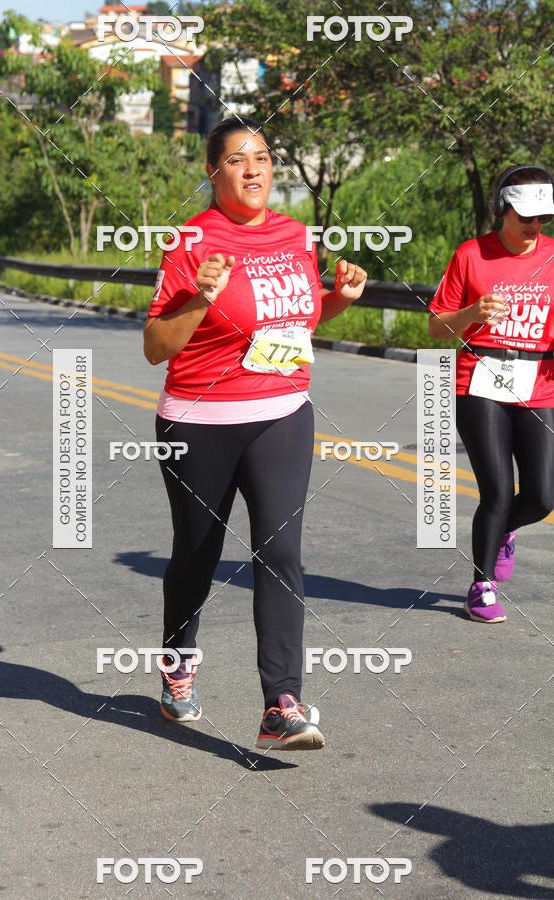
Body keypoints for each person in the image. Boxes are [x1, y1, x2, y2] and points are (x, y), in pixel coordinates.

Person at [143, 116, 367, 749]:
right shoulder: (190, 241)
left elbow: (297, 320)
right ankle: (179, 660)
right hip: (199, 421)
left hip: (283, 412)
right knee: (197, 555)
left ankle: (282, 703)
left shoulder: (296, 235)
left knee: (281, 551)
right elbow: (154, 347)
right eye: (238, 160)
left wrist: (339, 297)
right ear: (213, 172)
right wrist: (197, 299)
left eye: (263, 158)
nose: (253, 170)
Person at [428, 164, 554, 623]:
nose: (534, 227)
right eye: (526, 217)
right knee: (498, 491)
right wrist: (472, 312)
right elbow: (436, 325)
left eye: (543, 219)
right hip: (478, 384)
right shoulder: (471, 255)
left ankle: (505, 532)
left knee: (542, 496)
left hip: (538, 386)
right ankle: (481, 585)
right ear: (503, 208)